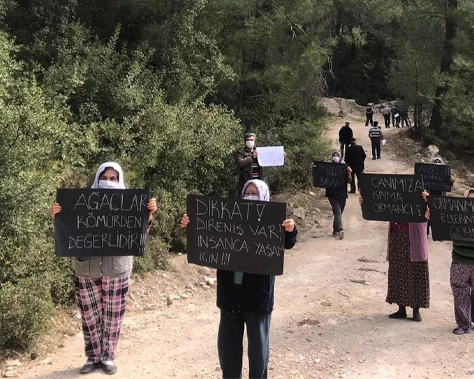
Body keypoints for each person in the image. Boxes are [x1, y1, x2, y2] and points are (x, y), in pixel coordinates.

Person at [180, 180, 297, 379]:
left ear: (264, 196)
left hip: (258, 298)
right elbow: (205, 232)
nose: (250, 196)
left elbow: (288, 242)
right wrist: (190, 224)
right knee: (228, 350)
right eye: (248, 192)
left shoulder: (271, 220)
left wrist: (290, 229)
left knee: (259, 352)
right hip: (230, 296)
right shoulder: (228, 219)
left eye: (255, 193)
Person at [50, 162, 158, 375]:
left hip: (118, 268)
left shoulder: (131, 202)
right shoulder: (80, 203)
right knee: (89, 316)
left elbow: (141, 231)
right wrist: (57, 215)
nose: (108, 182)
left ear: (120, 181)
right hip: (86, 268)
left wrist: (149, 214)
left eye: (113, 178)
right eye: (105, 177)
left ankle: (108, 356)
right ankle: (92, 356)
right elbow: (68, 229)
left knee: (113, 316)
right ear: (97, 178)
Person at [423, 187, 474, 335]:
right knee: (460, 293)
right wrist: (432, 219)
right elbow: (442, 232)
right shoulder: (456, 216)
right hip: (460, 261)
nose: (472, 203)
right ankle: (463, 324)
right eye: (469, 200)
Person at [358, 194, 429, 322]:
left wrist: (427, 202)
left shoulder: (421, 197)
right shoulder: (394, 195)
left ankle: (416, 310)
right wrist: (365, 202)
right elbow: (378, 206)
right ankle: (401, 308)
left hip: (415, 240)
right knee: (398, 272)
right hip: (397, 237)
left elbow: (434, 214)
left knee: (416, 272)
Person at [324, 151, 351, 239]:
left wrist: (349, 173)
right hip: (332, 194)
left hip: (342, 194)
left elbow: (349, 181)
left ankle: (335, 230)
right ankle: (339, 230)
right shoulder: (327, 167)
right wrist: (315, 169)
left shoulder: (344, 167)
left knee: (339, 213)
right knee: (338, 212)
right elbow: (320, 177)